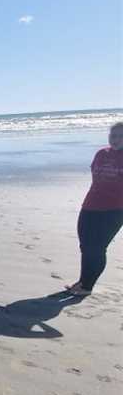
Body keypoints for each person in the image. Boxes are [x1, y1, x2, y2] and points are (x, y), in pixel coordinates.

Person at [66, 122, 123, 296]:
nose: (116, 140)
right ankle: (82, 280)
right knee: (85, 246)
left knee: (97, 248)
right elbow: (95, 177)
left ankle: (87, 287)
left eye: (121, 136)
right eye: (113, 135)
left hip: (114, 210)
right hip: (90, 205)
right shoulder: (101, 153)